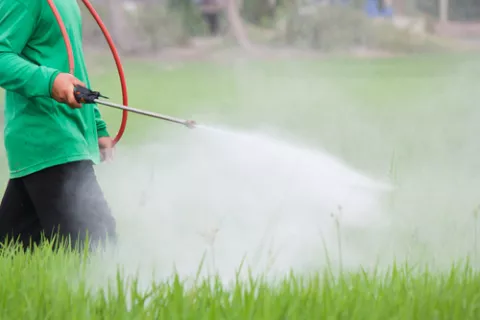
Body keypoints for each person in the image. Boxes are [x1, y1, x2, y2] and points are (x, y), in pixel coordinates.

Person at [0, 0, 117, 251]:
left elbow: (72, 68)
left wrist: (97, 126)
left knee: (12, 249)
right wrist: (50, 80)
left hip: (61, 139)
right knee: (100, 249)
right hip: (49, 138)